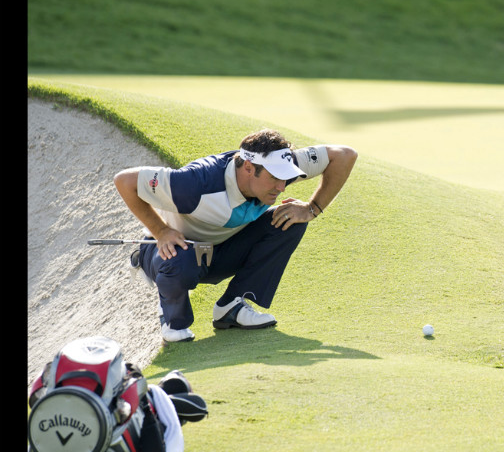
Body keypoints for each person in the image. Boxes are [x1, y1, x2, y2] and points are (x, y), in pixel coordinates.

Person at [114, 129, 357, 342]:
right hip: (174, 251)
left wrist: (311, 209)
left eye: (285, 178)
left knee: (289, 221)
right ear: (249, 168)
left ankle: (231, 306)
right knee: (181, 261)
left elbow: (344, 155)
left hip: (221, 248)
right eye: (275, 178)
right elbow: (125, 181)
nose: (282, 187)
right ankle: (171, 315)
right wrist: (161, 231)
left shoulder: (280, 165)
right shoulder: (195, 183)